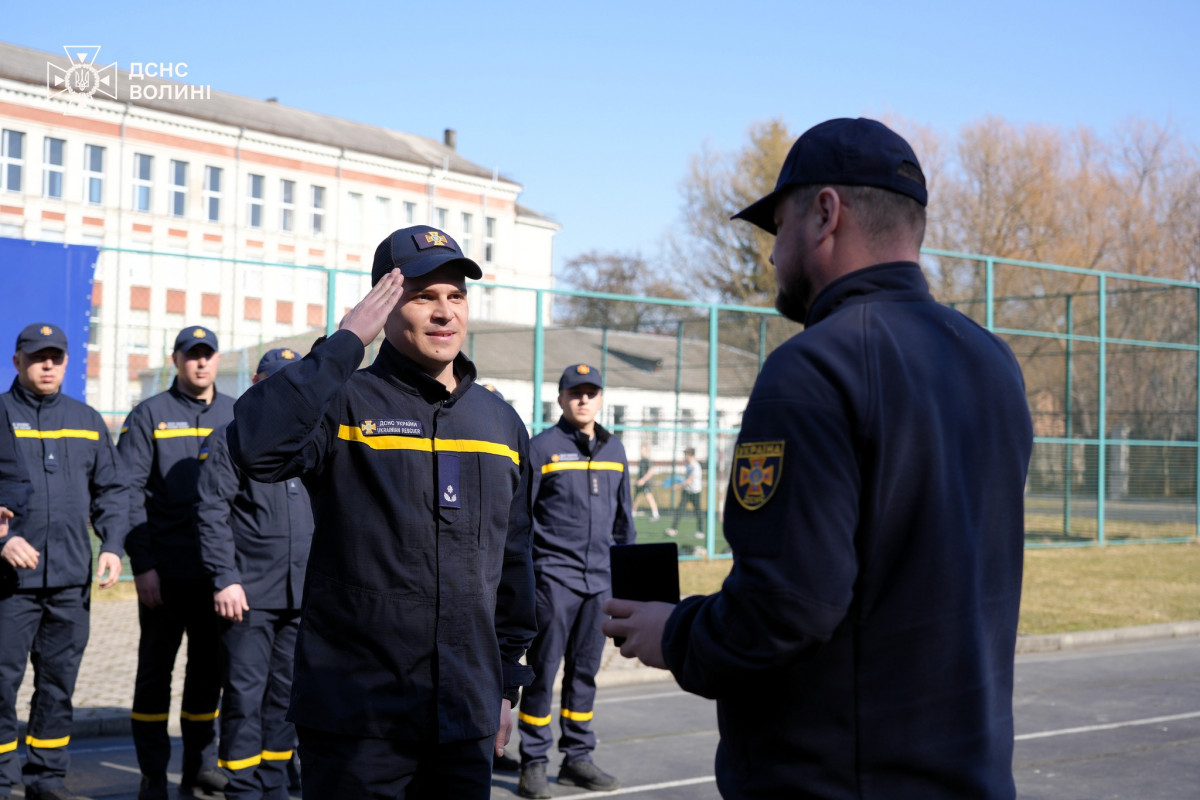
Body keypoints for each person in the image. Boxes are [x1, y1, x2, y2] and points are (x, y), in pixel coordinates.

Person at [603, 118, 1034, 799]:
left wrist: (675, 631)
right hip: (970, 772)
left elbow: (788, 608)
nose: (773, 257)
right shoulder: (992, 360)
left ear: (826, 212)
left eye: (780, 227)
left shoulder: (814, 366)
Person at [227, 225, 536, 799]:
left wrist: (506, 686)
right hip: (358, 725)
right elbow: (255, 445)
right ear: (384, 303)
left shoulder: (500, 423)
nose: (445, 312)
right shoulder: (342, 400)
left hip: (464, 718)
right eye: (424, 296)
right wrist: (346, 342)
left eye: (456, 296)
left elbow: (514, 564)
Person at [0, 323, 127, 800]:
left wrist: (113, 543)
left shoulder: (86, 419)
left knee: (57, 686)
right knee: (0, 682)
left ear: (68, 362)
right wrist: (2, 540)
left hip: (71, 580)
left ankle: (46, 778)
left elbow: (112, 491)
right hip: (8, 582)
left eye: (56, 356)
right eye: (37, 356)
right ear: (17, 362)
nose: (47, 365)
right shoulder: (1, 414)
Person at [118, 325, 234, 800]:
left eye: (207, 355)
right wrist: (142, 565)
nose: (200, 363)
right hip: (162, 576)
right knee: (155, 675)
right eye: (192, 355)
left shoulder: (234, 413)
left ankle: (199, 768)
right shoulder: (150, 415)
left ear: (216, 360)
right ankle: (151, 772)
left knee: (207, 676)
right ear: (176, 360)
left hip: (214, 577)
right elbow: (126, 492)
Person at [196, 348, 313, 800]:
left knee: (288, 696)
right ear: (257, 383)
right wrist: (224, 577)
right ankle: (242, 788)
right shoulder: (229, 438)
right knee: (244, 697)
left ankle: (275, 783)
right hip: (248, 592)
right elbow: (211, 511)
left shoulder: (311, 436)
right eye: (275, 381)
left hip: (302, 592)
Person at [515, 364, 635, 798]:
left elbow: (626, 524)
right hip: (554, 579)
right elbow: (521, 521)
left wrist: (630, 590)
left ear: (600, 398)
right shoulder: (542, 448)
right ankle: (534, 761)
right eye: (575, 393)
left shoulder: (615, 449)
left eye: (591, 392)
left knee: (585, 672)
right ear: (561, 398)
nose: (584, 400)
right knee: (543, 672)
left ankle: (577, 758)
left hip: (599, 583)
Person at [665, 447, 702, 539]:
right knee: (680, 510)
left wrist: (678, 485)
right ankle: (673, 529)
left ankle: (700, 531)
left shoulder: (696, 466)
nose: (684, 456)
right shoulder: (688, 464)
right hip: (687, 491)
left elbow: (689, 480)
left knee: (698, 512)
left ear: (690, 455)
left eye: (686, 454)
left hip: (695, 492)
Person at [632, 443, 659, 521]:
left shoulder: (647, 460)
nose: (641, 451)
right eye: (640, 450)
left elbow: (650, 472)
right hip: (640, 483)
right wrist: (638, 480)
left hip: (646, 483)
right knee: (636, 498)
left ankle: (656, 514)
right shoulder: (641, 460)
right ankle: (632, 513)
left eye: (643, 450)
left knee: (649, 497)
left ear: (646, 451)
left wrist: (643, 480)